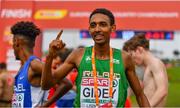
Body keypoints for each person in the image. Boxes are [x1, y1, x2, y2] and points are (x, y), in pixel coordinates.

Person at [41, 8, 150, 107]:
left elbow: (140, 95)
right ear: (89, 29)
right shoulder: (78, 55)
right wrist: (50, 55)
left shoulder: (124, 58)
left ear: (112, 28)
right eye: (93, 25)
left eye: (102, 24)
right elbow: (46, 85)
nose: (97, 29)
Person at [11, 21, 72, 107]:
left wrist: (45, 106)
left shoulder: (35, 65)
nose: (12, 47)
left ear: (16, 42)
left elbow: (67, 83)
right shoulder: (24, 67)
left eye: (12, 43)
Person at [124, 33, 168, 107]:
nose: (132, 60)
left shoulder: (155, 63)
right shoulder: (148, 67)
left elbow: (162, 90)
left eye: (131, 55)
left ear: (139, 49)